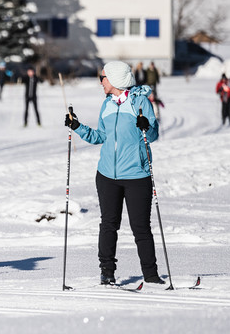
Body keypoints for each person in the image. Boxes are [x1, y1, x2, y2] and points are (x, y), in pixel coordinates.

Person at [64, 61, 163, 285]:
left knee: (141, 228)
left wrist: (146, 125)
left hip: (137, 174)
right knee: (109, 224)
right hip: (107, 175)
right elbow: (100, 136)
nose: (101, 81)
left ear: (116, 79)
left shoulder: (140, 103)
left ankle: (151, 274)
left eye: (103, 77)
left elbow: (154, 135)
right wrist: (78, 126)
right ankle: (107, 272)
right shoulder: (107, 104)